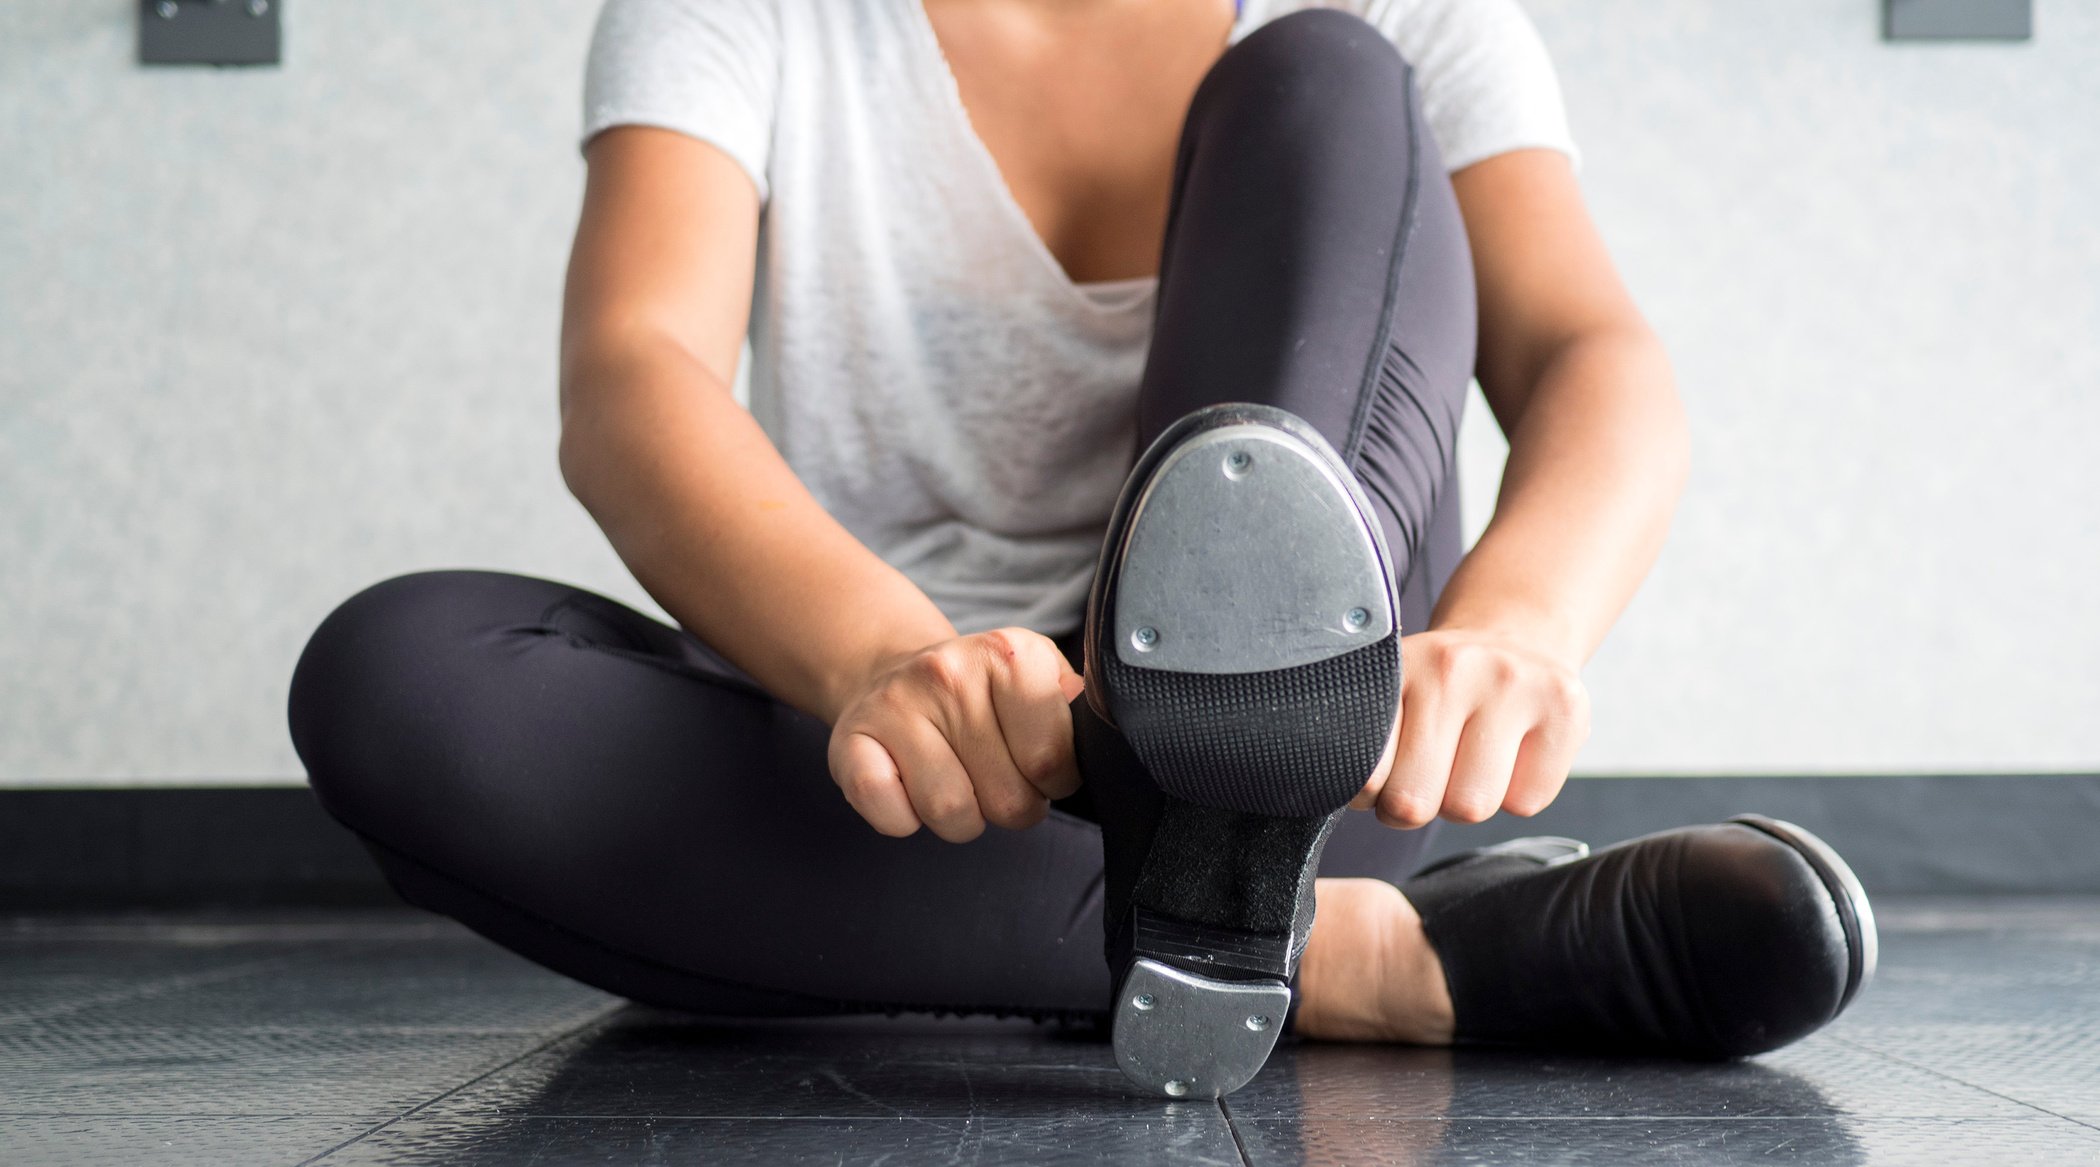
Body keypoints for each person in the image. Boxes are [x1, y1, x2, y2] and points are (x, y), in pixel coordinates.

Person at [288, 0, 1875, 1098]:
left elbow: (1595, 354)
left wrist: (1523, 621)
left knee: (1321, 75)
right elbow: (634, 374)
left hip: (1296, 770)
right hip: (922, 775)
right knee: (397, 679)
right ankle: (1345, 959)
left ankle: (1225, 869)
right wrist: (880, 658)